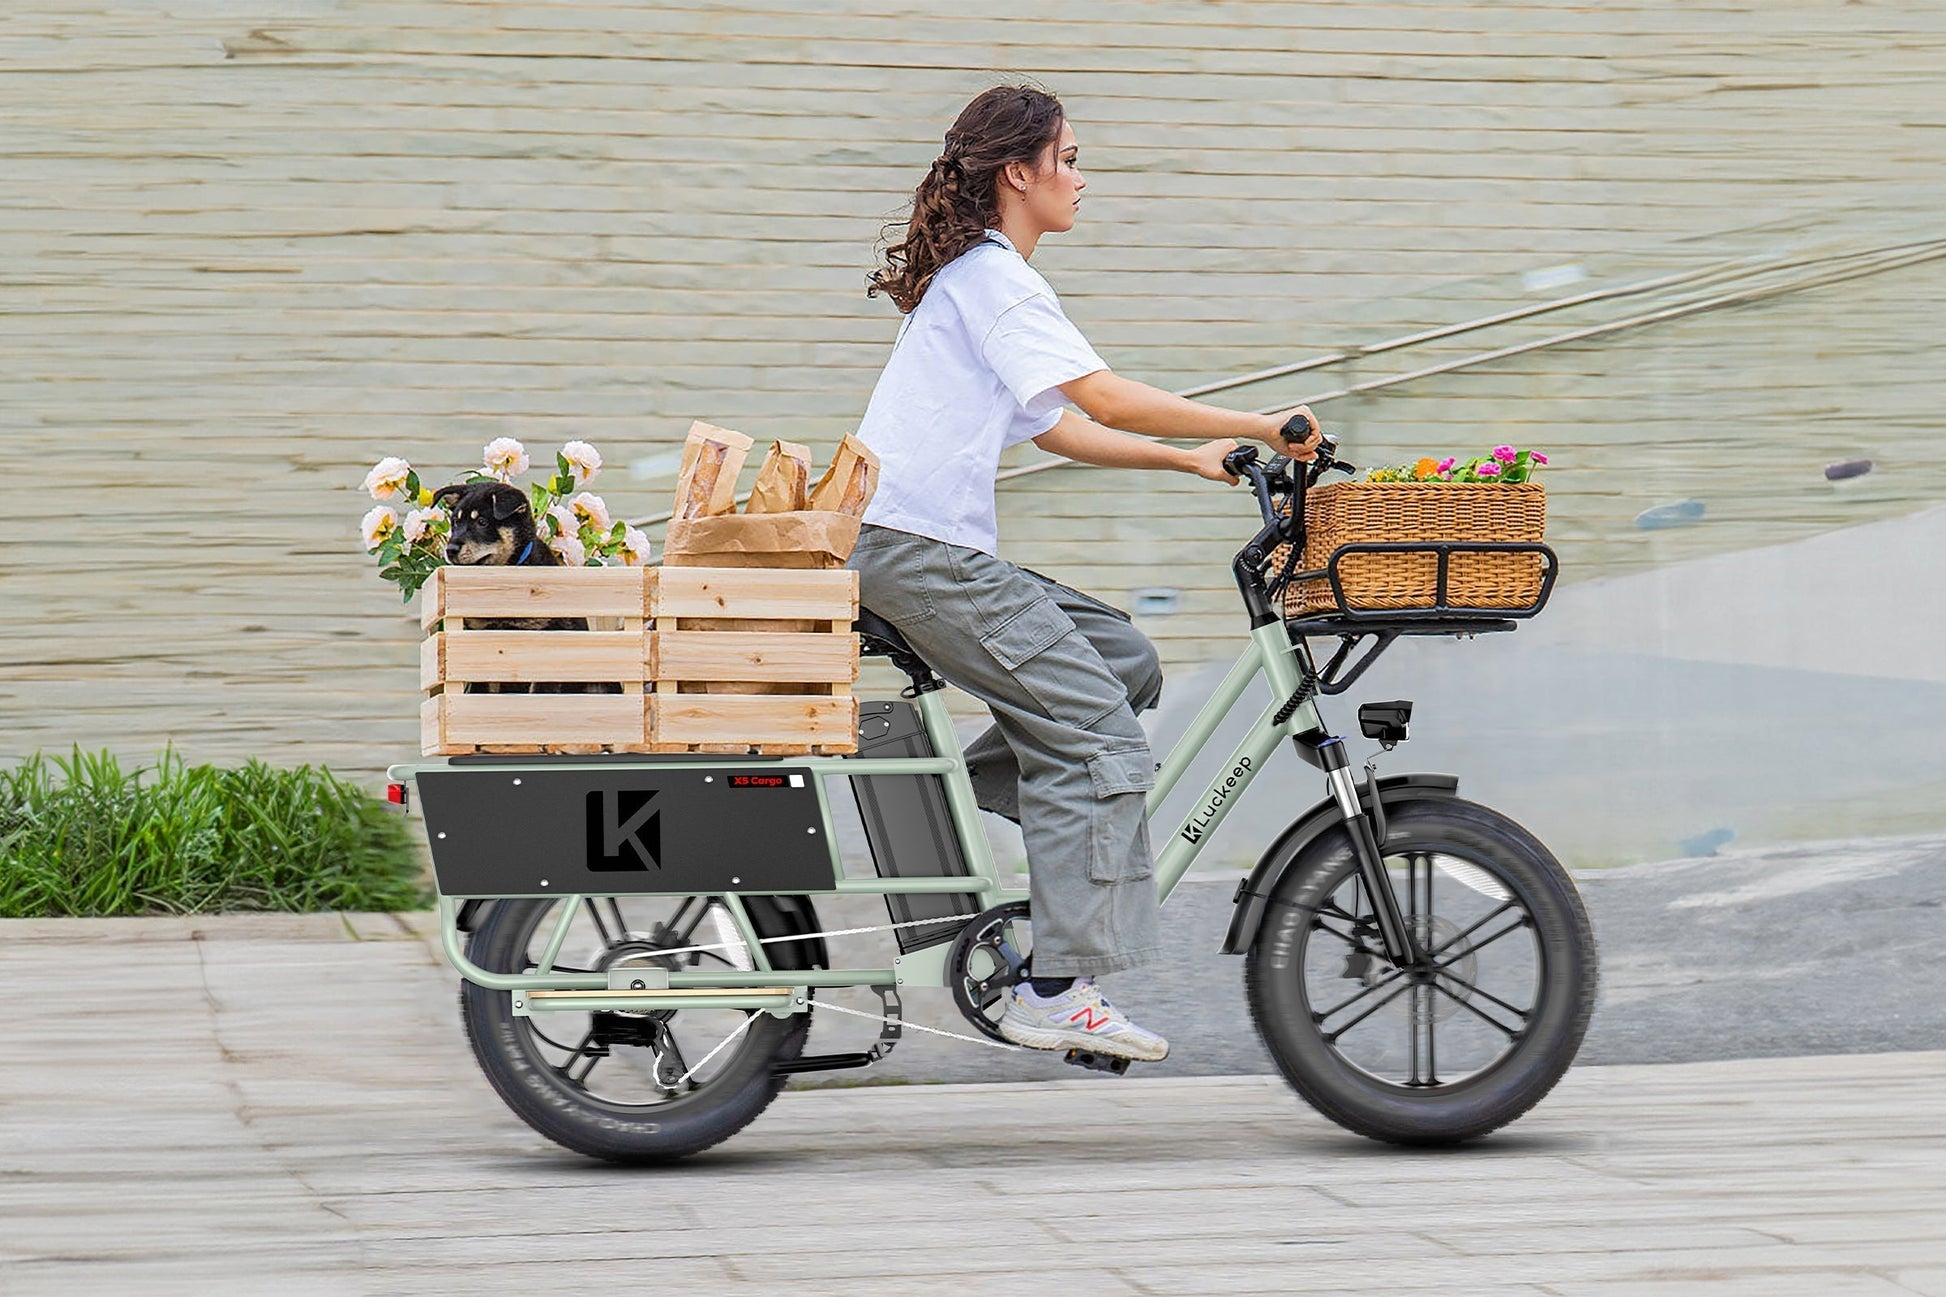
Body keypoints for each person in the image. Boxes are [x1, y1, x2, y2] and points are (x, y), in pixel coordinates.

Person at [849, 84, 1322, 1062]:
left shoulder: (981, 280)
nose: (1079, 176)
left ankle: (1030, 811)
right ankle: (1056, 988)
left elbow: (1059, 424)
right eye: (1067, 158)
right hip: (917, 551)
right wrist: (1259, 423)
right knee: (1099, 736)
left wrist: (1187, 460)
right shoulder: (995, 279)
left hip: (918, 548)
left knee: (1122, 661)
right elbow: (1102, 394)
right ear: (1017, 173)